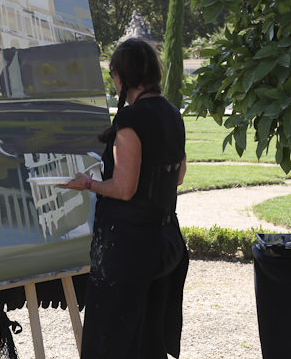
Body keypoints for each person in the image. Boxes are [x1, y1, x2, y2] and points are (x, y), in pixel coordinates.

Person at [60, 38, 189, 358]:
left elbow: (123, 188)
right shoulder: (173, 112)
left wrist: (88, 184)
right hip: (166, 239)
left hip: (129, 248)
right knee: (148, 339)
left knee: (112, 341)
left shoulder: (131, 120)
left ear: (119, 77)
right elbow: (179, 175)